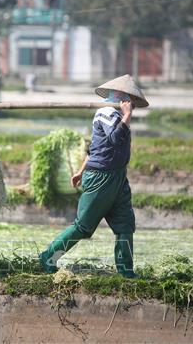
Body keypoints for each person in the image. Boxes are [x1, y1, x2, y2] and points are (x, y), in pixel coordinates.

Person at [38, 75, 149, 278]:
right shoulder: (106, 112)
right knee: (83, 226)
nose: (131, 104)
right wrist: (126, 116)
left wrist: (80, 171)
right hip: (101, 178)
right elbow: (115, 139)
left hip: (118, 177)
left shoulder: (115, 115)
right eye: (129, 100)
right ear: (122, 98)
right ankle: (48, 256)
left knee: (125, 225)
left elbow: (94, 148)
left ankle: (126, 271)